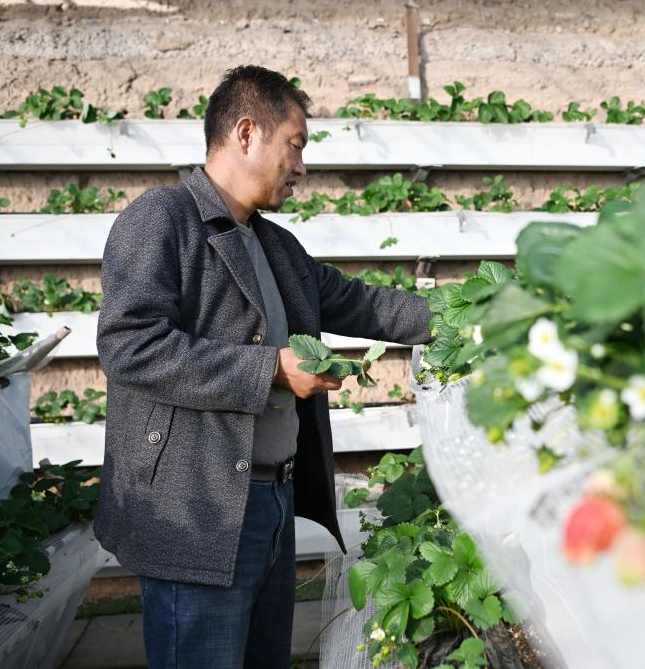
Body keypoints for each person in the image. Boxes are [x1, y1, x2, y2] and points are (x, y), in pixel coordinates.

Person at [94, 65, 433, 668]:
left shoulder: (276, 245)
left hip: (271, 503)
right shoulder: (161, 219)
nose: (301, 167)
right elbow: (130, 345)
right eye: (295, 146)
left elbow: (363, 304)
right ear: (247, 133)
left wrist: (474, 317)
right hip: (197, 513)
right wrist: (270, 369)